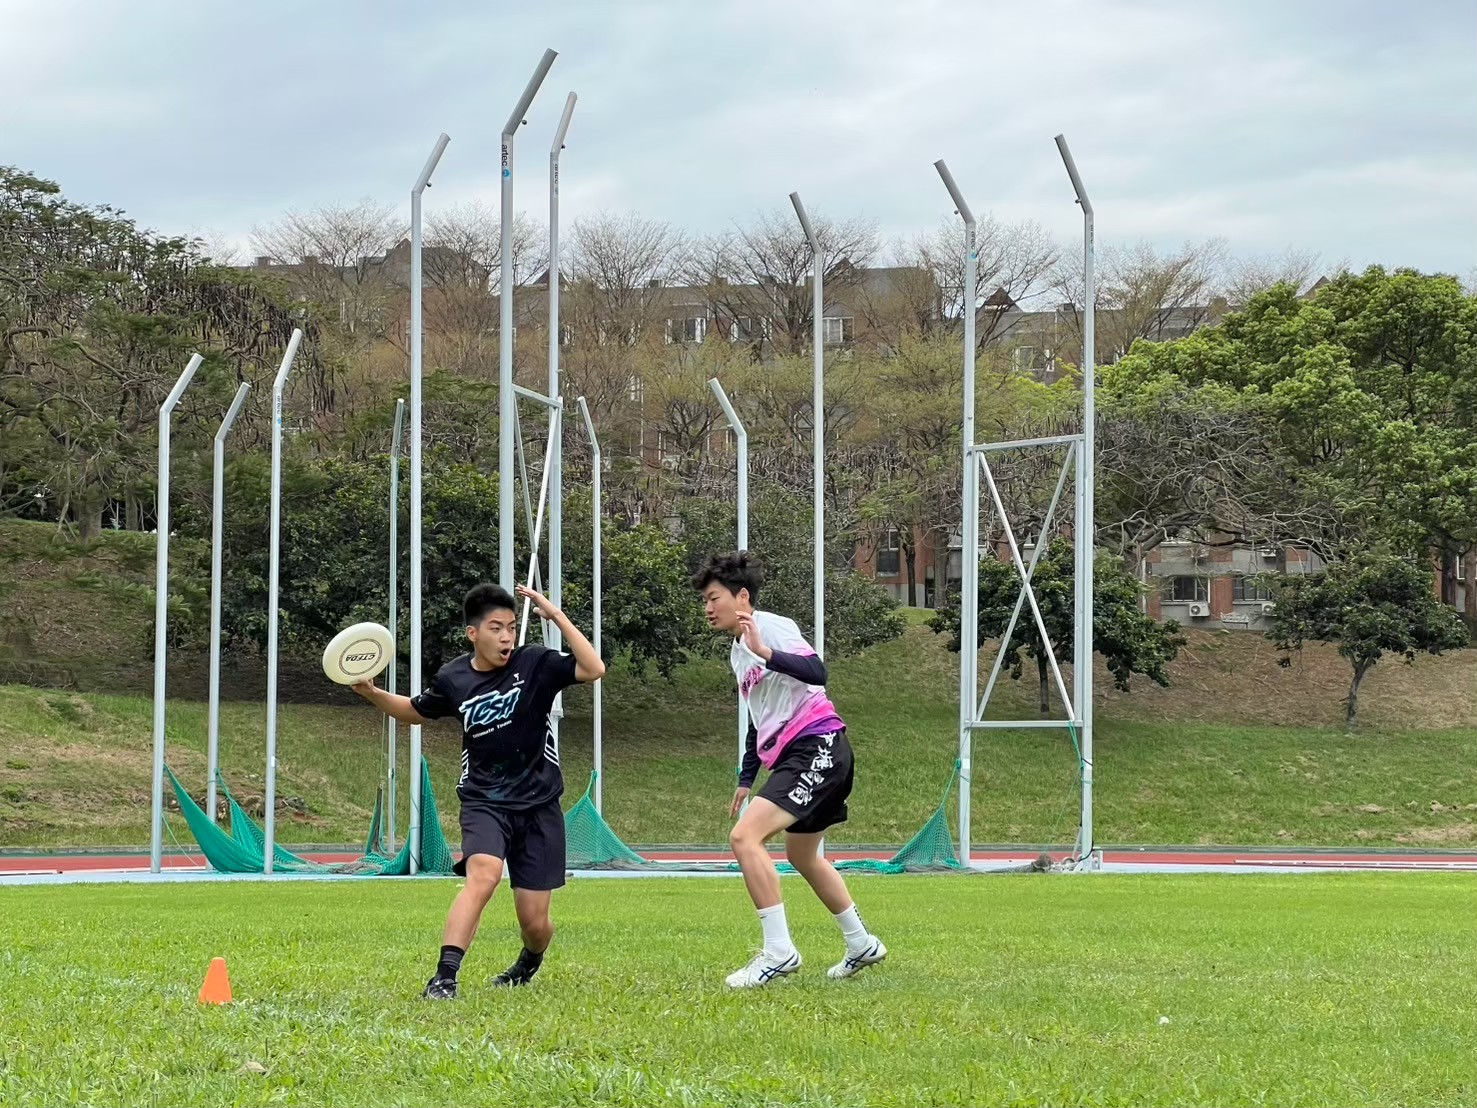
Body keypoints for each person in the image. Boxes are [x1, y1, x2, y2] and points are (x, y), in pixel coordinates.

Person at [350, 582, 604, 999]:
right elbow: (415, 712)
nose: (506, 637)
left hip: (539, 806)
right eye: (495, 628)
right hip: (484, 799)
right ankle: (444, 978)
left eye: (511, 627)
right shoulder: (453, 678)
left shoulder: (535, 663)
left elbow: (594, 669)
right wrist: (372, 692)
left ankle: (529, 959)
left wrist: (554, 615)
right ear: (473, 634)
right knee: (482, 876)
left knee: (535, 923)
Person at [691, 551, 887, 989]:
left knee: (744, 837)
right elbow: (759, 719)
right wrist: (746, 780)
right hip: (802, 753)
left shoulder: (773, 627)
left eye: (713, 597)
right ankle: (861, 943)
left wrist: (765, 649)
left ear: (742, 597)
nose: (707, 608)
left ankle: (779, 952)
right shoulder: (739, 654)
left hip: (817, 746)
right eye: (704, 600)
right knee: (801, 856)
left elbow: (817, 672)